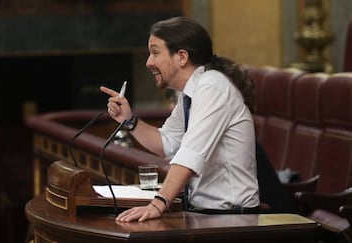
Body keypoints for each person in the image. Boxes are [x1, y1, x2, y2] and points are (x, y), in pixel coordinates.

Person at [100, 16, 259, 222]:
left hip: (232, 220)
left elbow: (189, 156)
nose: (149, 62)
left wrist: (158, 204)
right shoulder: (191, 92)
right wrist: (128, 120)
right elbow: (167, 144)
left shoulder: (213, 86)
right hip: (204, 215)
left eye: (155, 52)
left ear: (181, 57)